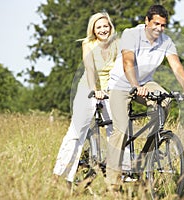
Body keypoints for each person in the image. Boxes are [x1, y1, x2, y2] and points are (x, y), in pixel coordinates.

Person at [106, 5, 184, 187]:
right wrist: (135, 85)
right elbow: (128, 61)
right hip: (121, 83)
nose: (159, 29)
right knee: (122, 128)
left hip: (145, 82)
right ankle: (112, 183)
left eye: (163, 25)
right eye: (156, 24)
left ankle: (143, 160)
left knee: (165, 100)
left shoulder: (166, 41)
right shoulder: (131, 34)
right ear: (147, 21)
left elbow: (176, 66)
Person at [53, 12, 118, 188]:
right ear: (93, 30)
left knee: (117, 130)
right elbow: (89, 69)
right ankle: (60, 176)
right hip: (88, 89)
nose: (103, 30)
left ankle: (118, 175)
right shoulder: (88, 44)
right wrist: (94, 90)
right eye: (99, 27)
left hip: (109, 90)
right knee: (77, 132)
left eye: (106, 26)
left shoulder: (117, 44)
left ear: (110, 27)